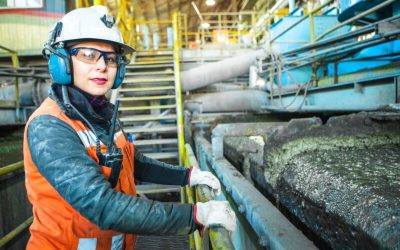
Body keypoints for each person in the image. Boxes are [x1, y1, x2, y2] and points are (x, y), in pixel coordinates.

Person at [23, 5, 236, 250]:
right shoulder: (49, 126)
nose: (102, 66)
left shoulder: (101, 113)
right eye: (89, 55)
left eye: (110, 58)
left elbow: (130, 161)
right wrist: (195, 215)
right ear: (62, 62)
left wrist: (188, 175)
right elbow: (100, 205)